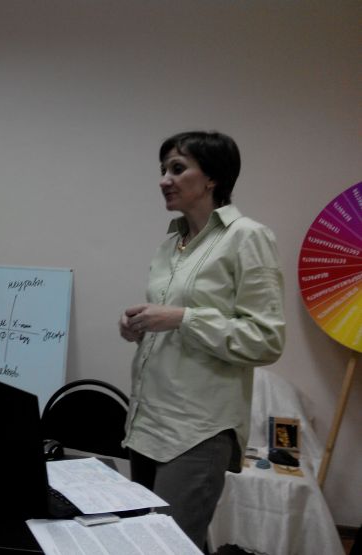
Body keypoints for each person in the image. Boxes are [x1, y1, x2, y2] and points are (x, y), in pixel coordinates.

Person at [119, 131, 285, 549]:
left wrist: (183, 318)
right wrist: (139, 327)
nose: (164, 180)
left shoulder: (247, 236)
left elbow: (266, 339)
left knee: (169, 547)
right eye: (163, 170)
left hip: (198, 430)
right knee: (146, 542)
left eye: (177, 169)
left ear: (212, 178)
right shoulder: (170, 245)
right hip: (147, 422)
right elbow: (174, 327)